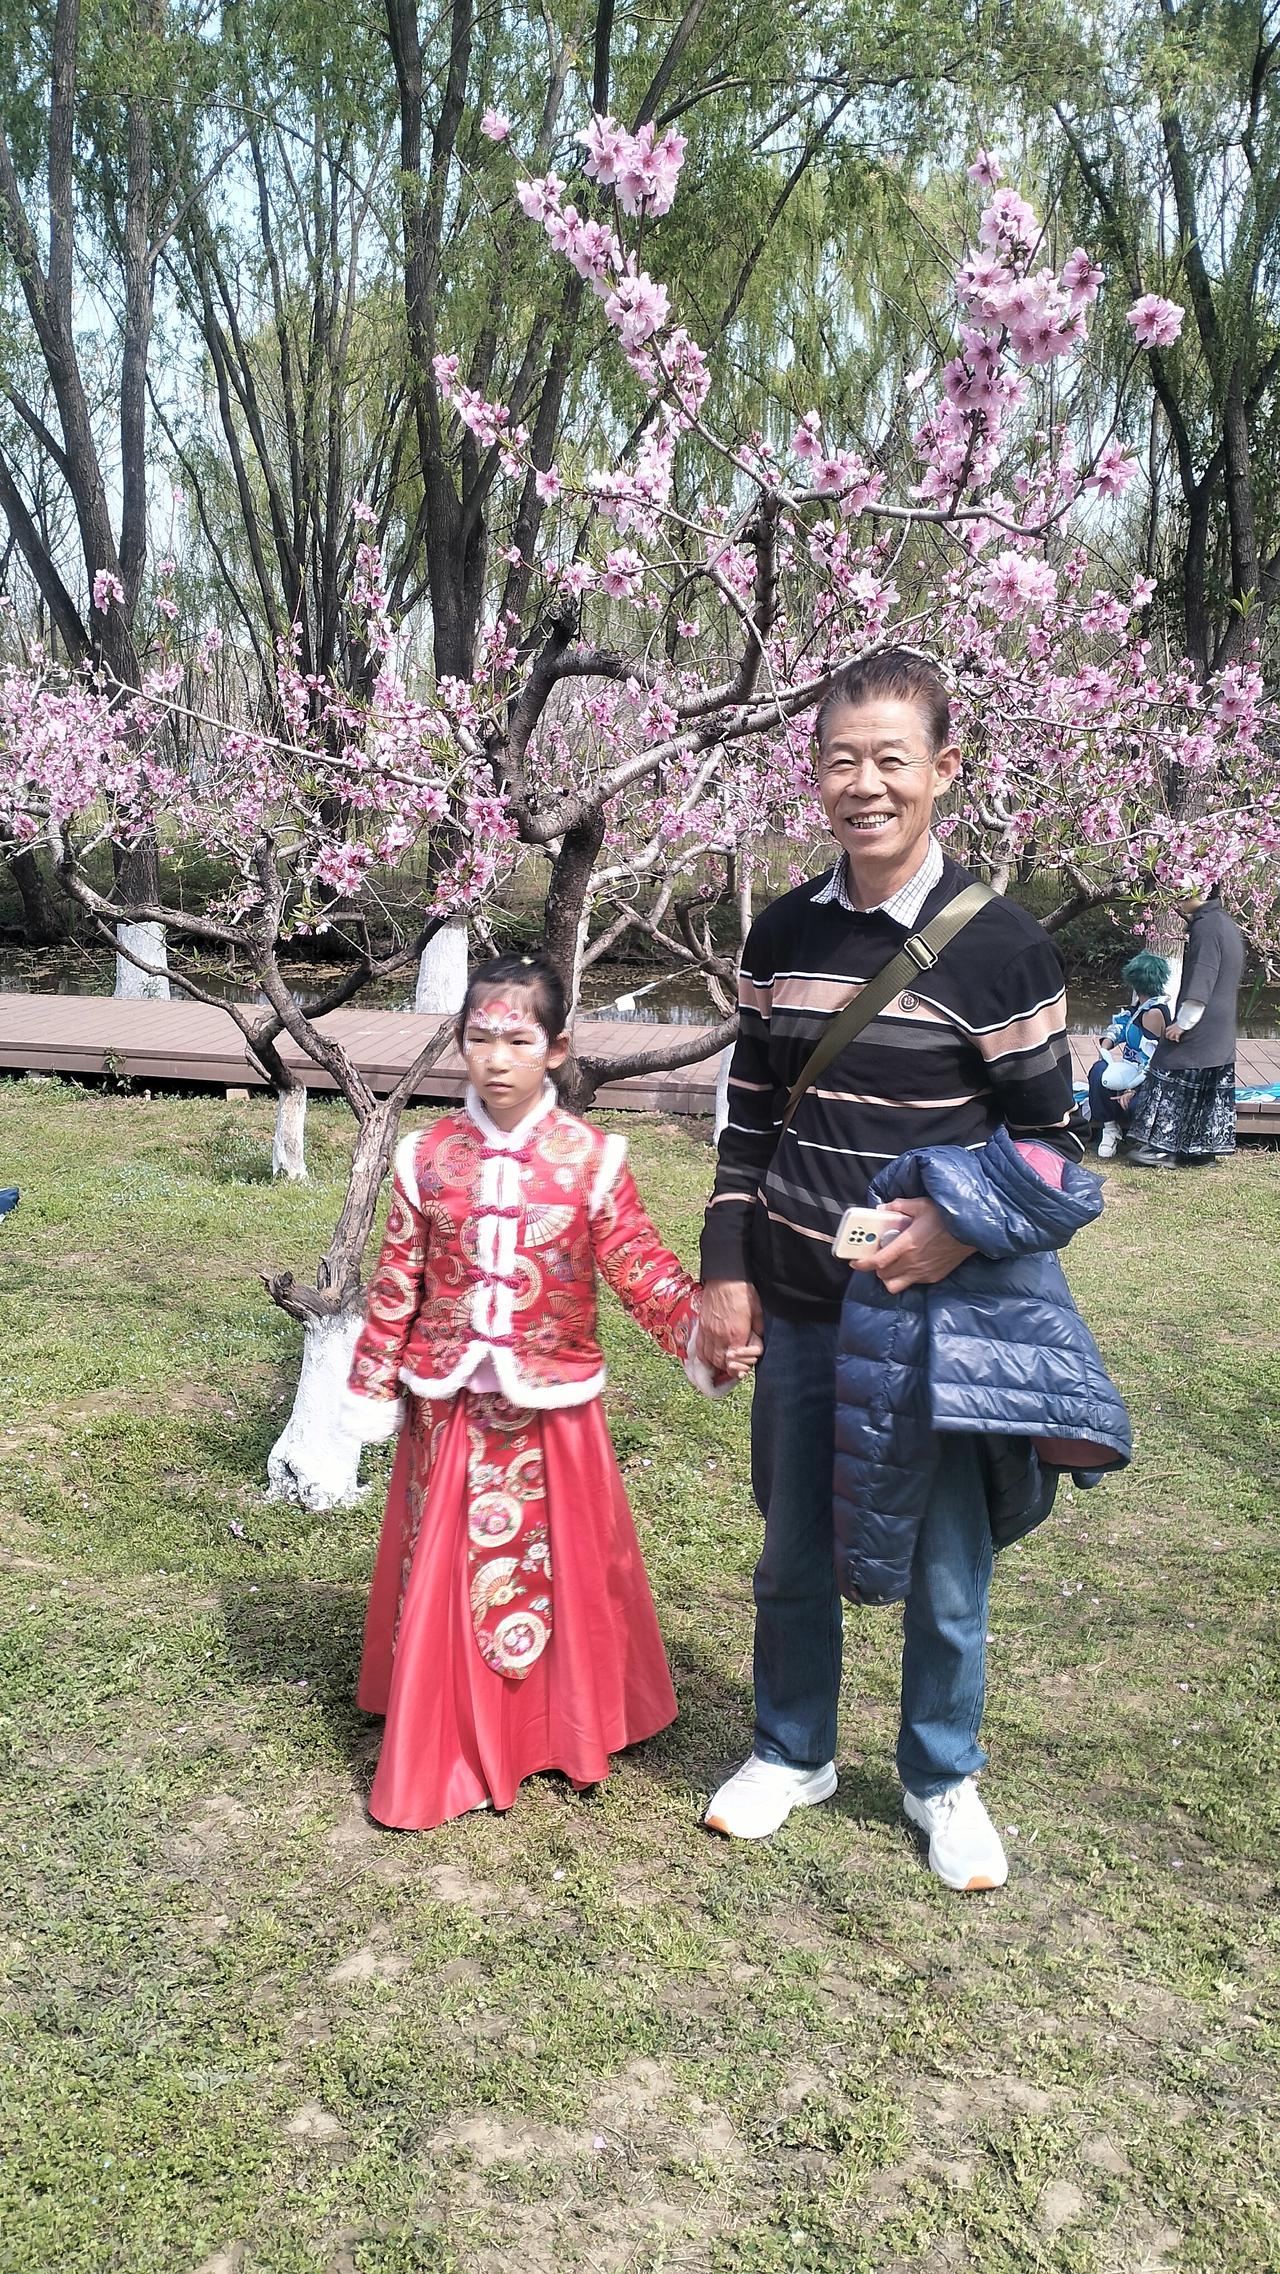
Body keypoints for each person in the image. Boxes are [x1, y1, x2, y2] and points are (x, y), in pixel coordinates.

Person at [696, 647, 1088, 1890]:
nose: (862, 785)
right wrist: (725, 1265)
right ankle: (789, 1750)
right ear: (812, 774)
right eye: (839, 761)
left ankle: (939, 1777)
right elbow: (749, 1118)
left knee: (945, 1567)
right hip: (803, 1303)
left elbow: (1051, 1144)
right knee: (791, 1550)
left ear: (942, 770)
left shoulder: (1003, 948)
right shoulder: (781, 933)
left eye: (889, 760)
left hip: (935, 1318)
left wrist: (957, 1233)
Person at [339, 949, 752, 1831]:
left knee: (561, 1566)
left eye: (518, 1040)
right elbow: (397, 1280)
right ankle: (448, 1734)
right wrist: (373, 1381)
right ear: (460, 1042)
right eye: (479, 1038)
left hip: (553, 1405)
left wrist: (704, 1335)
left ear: (556, 1049)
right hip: (448, 1405)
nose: (496, 1059)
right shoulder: (426, 1157)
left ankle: (556, 1728)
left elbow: (639, 1264)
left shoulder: (590, 1159)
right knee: (450, 1564)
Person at [1125, 886, 1245, 1166]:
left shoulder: (1207, 926)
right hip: (1220, 1023)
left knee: (1169, 1067)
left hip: (1203, 1020)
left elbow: (1203, 974)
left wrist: (1183, 1022)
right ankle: (1201, 1150)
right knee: (1208, 1081)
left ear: (1199, 892)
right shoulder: (1224, 921)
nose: (1176, 900)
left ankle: (1162, 1148)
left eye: (1180, 893)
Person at [1085, 951, 1171, 1159]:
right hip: (1130, 1070)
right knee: (1098, 1071)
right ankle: (1109, 1128)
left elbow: (1152, 1060)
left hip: (1151, 1079)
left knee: (1134, 1104)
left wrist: (1133, 1088)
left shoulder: (1154, 1012)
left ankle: (1143, 1137)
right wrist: (1105, 1048)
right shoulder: (1140, 1006)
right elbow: (1121, 1028)